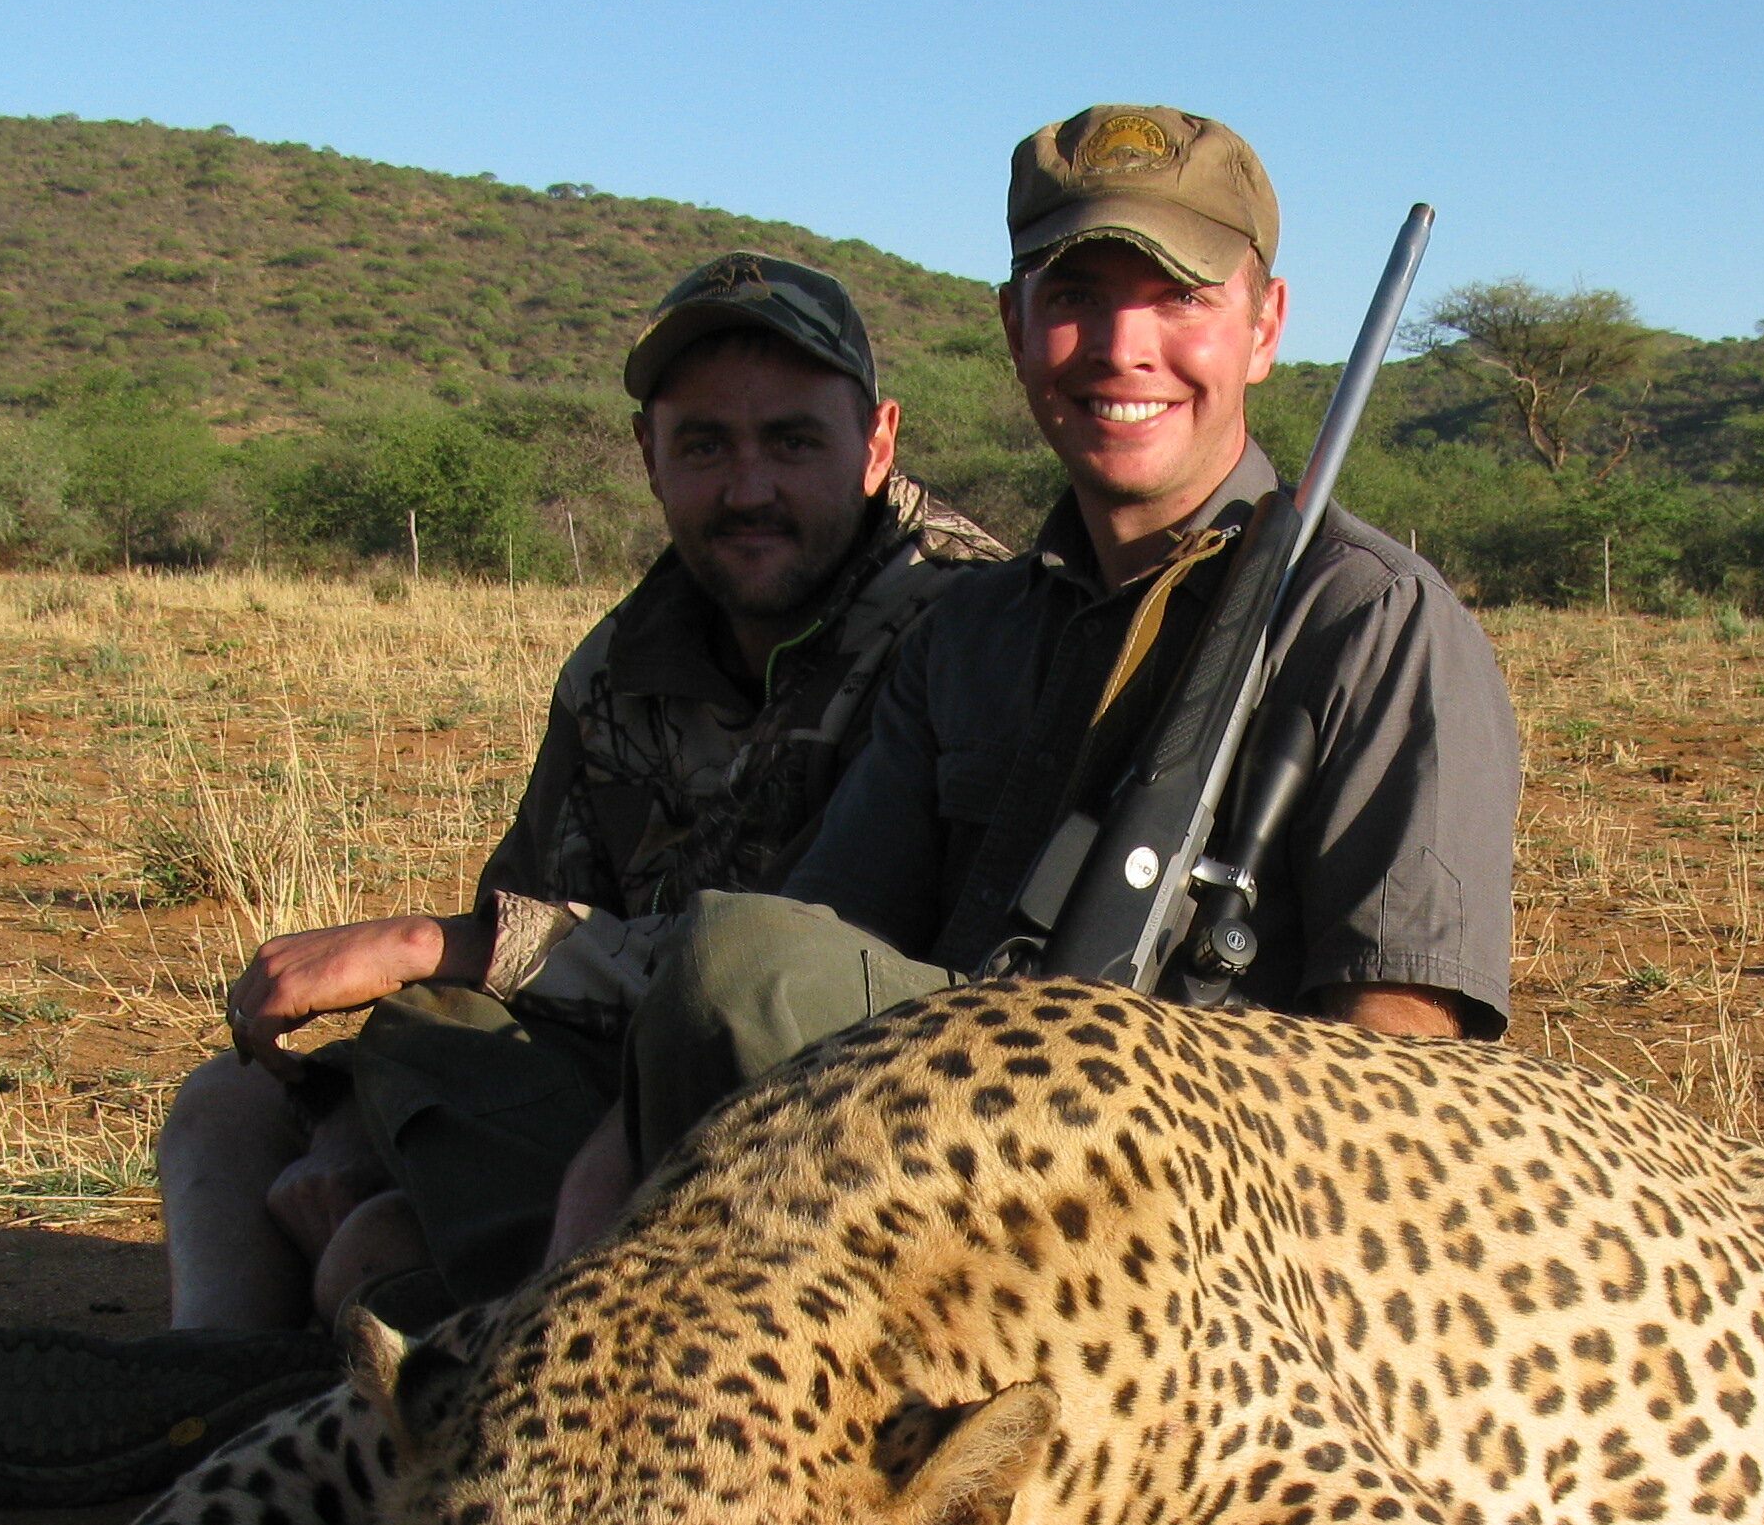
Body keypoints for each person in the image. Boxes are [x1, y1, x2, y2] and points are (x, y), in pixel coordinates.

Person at [0, 253, 1003, 1504]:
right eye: (705, 447)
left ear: (876, 438)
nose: (749, 488)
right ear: (646, 454)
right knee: (234, 1112)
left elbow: (777, 979)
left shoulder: (967, 633)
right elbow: (531, 922)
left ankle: (356, 1411)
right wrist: (383, 1084)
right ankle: (215, 1385)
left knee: (368, 1239)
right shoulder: (623, 662)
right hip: (606, 1061)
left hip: (794, 1118)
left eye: (792, 441)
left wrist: (430, 956)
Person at [570, 103, 1521, 1212]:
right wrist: (607, 1173)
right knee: (464, 1056)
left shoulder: (1377, 621)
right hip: (917, 1167)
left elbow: (1406, 1058)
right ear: (1015, 327)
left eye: (1182, 297)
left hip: (1198, 1222)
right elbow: (814, 942)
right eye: (1073, 298)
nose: (1124, 348)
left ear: (1265, 329)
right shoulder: (969, 630)